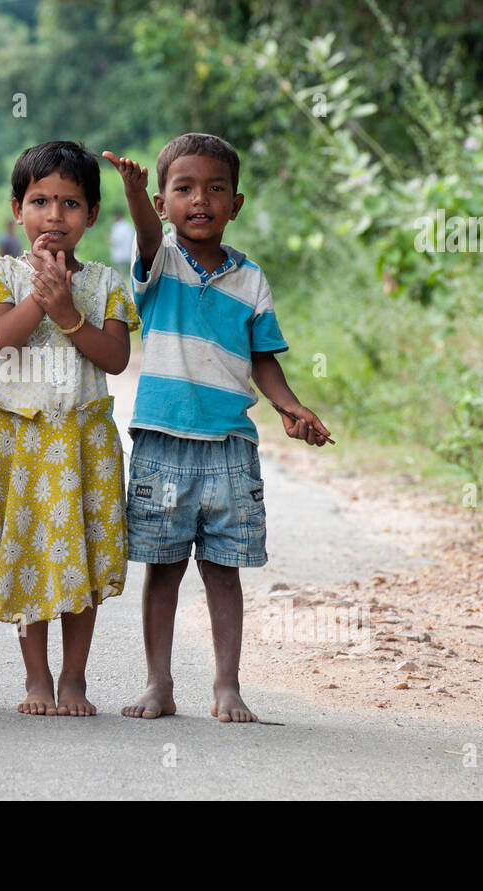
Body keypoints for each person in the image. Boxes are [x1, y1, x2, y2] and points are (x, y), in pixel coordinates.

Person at [103, 135, 331, 724]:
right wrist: (131, 196)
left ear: (237, 203)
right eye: (183, 189)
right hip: (162, 444)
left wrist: (289, 406)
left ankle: (227, 686)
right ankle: (159, 683)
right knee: (163, 568)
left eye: (215, 189)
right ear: (161, 202)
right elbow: (148, 238)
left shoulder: (251, 279)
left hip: (230, 447)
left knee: (223, 570)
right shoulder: (158, 264)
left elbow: (263, 357)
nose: (199, 200)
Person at [0, 141, 141, 717]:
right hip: (25, 443)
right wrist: (43, 298)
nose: (55, 216)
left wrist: (69, 313)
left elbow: (114, 358)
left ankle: (74, 680)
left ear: (91, 214)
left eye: (70, 204)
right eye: (40, 201)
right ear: (18, 209)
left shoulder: (106, 283)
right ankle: (36, 677)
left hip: (87, 444)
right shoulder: (2, 275)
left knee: (81, 563)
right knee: (29, 558)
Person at [109, 213, 134, 281]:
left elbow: (116, 239)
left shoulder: (117, 226)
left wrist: (110, 240)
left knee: (120, 270)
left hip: (120, 252)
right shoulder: (128, 225)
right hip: (128, 251)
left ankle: (122, 280)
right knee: (128, 269)